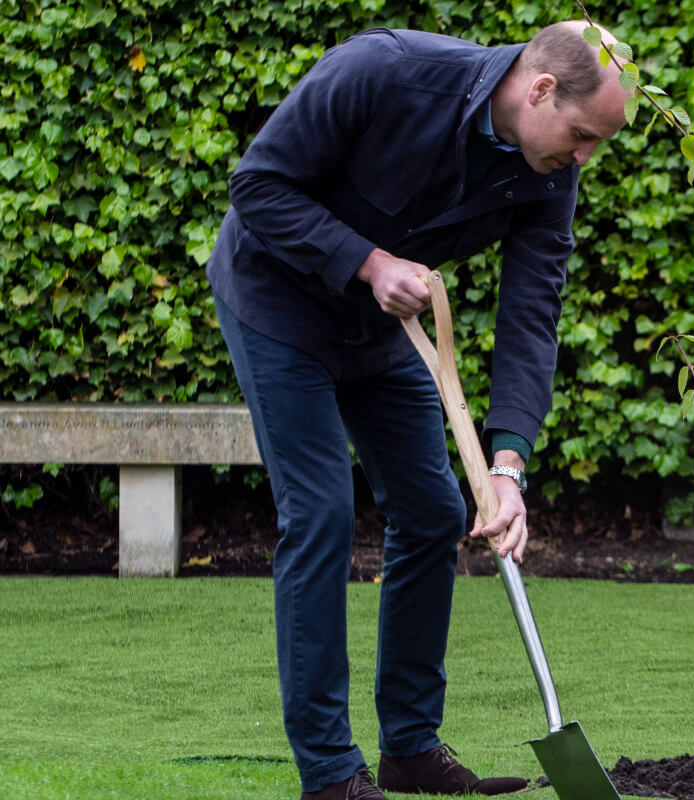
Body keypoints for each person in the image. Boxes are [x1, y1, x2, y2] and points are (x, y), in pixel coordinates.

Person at [206, 20, 631, 800]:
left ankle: (408, 749)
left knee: (435, 511)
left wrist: (509, 467)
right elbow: (256, 187)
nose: (582, 160)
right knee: (322, 514)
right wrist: (366, 262)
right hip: (277, 302)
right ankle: (331, 775)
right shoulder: (385, 72)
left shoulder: (548, 173)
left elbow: (531, 313)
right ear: (540, 89)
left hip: (381, 329)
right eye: (580, 136)